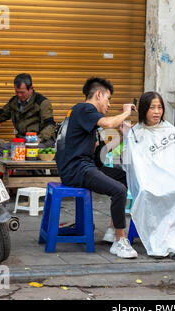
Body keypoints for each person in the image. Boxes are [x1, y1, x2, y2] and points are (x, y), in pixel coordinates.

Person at [55, 77, 138, 259]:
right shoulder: (84, 109)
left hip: (84, 167)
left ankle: (111, 229)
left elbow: (100, 154)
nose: (108, 105)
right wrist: (126, 113)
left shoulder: (85, 119)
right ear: (98, 95)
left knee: (122, 177)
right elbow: (108, 123)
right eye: (108, 99)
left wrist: (122, 136)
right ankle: (120, 240)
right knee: (119, 190)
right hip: (77, 170)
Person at [122, 91, 175, 260]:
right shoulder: (136, 133)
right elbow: (135, 164)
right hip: (148, 178)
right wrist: (148, 179)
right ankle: (158, 242)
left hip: (172, 177)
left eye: (159, 107)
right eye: (152, 108)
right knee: (148, 192)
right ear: (144, 110)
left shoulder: (169, 129)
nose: (157, 112)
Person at [0, 73, 56, 156]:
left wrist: (38, 138)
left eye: (22, 92)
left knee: (28, 153)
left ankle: (30, 169)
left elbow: (50, 125)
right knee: (2, 150)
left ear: (31, 89)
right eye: (17, 92)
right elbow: (1, 113)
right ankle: (13, 169)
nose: (19, 95)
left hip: (42, 140)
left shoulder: (42, 102)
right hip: (22, 140)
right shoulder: (14, 101)